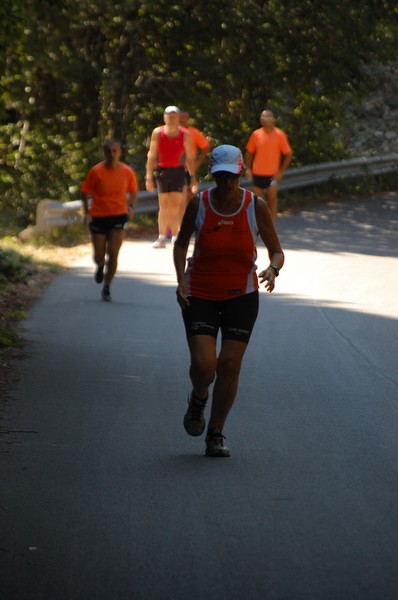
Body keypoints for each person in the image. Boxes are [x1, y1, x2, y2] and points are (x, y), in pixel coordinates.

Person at [173, 144, 284, 457]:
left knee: (230, 364)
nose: (225, 183)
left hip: (242, 294)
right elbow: (181, 244)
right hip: (201, 292)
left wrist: (272, 269)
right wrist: (180, 279)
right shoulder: (200, 203)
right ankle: (198, 397)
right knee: (205, 367)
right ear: (213, 174)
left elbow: (277, 250)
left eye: (231, 177)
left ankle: (216, 432)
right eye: (220, 177)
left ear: (240, 174)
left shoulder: (254, 205)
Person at [81, 139, 138, 301]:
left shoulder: (127, 172)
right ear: (104, 153)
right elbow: (84, 191)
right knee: (99, 255)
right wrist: (87, 212)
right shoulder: (96, 171)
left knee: (113, 252)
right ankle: (100, 266)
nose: (112, 154)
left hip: (118, 215)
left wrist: (131, 207)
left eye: (115, 151)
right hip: (98, 216)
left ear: (119, 152)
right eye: (108, 151)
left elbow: (133, 191)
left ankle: (107, 287)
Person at [146, 105, 198, 248]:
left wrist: (193, 177)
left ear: (178, 118)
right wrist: (148, 176)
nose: (171, 117)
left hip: (178, 171)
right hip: (163, 171)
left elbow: (189, 156)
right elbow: (151, 154)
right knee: (164, 205)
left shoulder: (184, 133)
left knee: (175, 205)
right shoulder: (158, 132)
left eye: (174, 115)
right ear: (164, 117)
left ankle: (175, 236)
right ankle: (161, 236)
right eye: (169, 115)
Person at [245, 109, 292, 222]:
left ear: (273, 120)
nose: (265, 120)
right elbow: (249, 153)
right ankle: (257, 224)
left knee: (272, 199)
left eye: (268, 118)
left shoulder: (279, 135)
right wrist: (248, 169)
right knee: (257, 201)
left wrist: (281, 171)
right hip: (257, 173)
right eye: (263, 118)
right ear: (261, 121)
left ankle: (272, 224)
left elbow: (288, 154)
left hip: (272, 175)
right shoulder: (256, 134)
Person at [178, 110, 211, 203]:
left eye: (184, 117)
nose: (181, 119)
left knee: (189, 196)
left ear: (188, 119)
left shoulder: (193, 132)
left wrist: (198, 162)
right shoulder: (169, 132)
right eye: (180, 117)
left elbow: (206, 147)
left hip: (188, 169)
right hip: (172, 169)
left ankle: (190, 215)